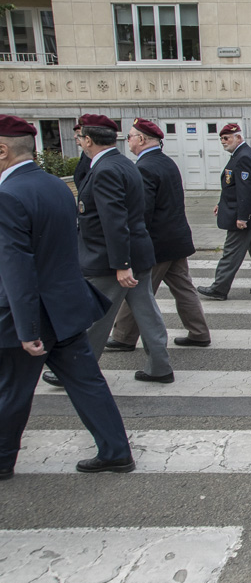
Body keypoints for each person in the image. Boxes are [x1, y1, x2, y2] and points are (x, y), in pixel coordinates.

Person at [0, 115, 135, 479]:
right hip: (66, 306)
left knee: (12, 391)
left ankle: (2, 459)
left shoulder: (8, 195)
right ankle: (116, 451)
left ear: (3, 150)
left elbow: (17, 267)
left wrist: (27, 328)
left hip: (30, 313)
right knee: (87, 383)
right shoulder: (55, 185)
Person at [42, 114, 172, 387]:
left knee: (93, 317)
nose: (78, 141)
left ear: (89, 140)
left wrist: (121, 264)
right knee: (146, 312)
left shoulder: (105, 170)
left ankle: (75, 371)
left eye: (80, 138)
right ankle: (160, 366)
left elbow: (114, 221)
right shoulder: (122, 163)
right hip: (135, 252)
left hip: (111, 259)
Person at [106, 119, 211, 352]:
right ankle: (199, 332)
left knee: (136, 289)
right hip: (176, 239)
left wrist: (133, 243)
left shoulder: (144, 167)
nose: (128, 141)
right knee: (183, 288)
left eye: (130, 136)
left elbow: (141, 212)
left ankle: (123, 337)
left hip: (156, 244)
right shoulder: (166, 162)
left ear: (142, 139)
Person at [197, 123, 251, 301]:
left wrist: (242, 217)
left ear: (238, 137)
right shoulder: (240, 155)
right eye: (221, 139)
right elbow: (232, 186)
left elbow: (244, 190)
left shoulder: (243, 157)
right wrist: (221, 203)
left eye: (226, 138)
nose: (223, 141)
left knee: (231, 251)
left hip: (245, 213)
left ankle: (219, 288)